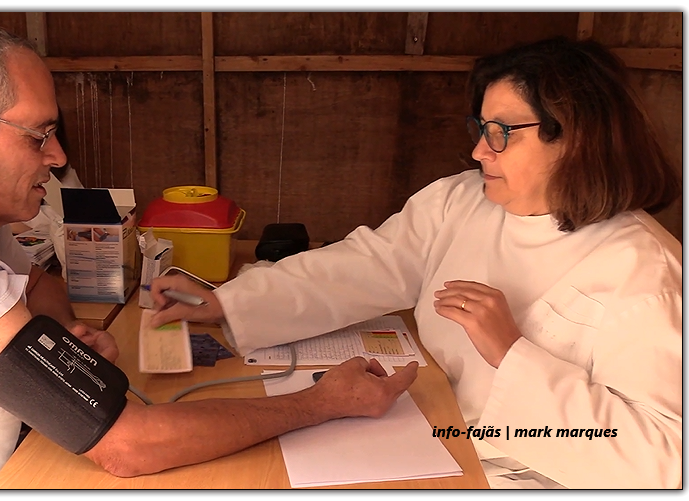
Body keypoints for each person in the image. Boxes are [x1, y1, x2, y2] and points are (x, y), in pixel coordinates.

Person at [0, 24, 419, 489]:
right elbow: (130, 446)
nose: (56, 157)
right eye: (39, 134)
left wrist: (59, 339)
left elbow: (40, 289)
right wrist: (321, 402)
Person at [149, 36, 682, 489]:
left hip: (519, 476)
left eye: (501, 132)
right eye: (480, 127)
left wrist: (513, 354)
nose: (478, 151)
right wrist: (228, 300)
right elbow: (363, 267)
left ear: (574, 139)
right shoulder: (461, 201)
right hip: (426, 428)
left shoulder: (644, 270)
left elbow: (662, 459)